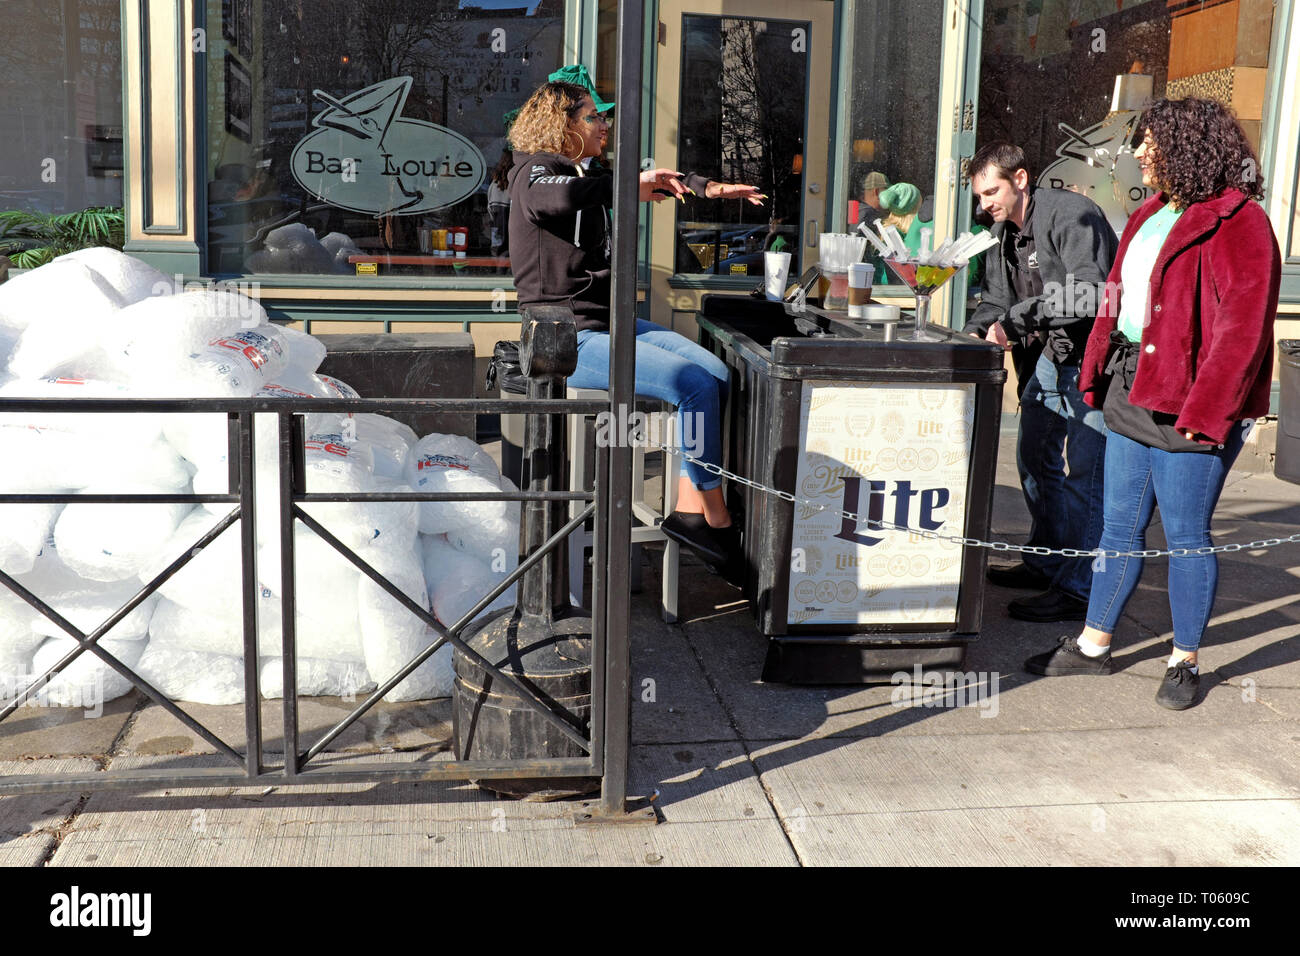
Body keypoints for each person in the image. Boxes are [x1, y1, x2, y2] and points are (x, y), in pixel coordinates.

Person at [1024, 97, 1280, 710]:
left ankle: (1184, 661)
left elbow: (1242, 333)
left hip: (1192, 401)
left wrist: (1207, 415)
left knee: (1187, 535)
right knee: (1117, 526)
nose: (1138, 152)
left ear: (1189, 145)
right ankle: (1093, 644)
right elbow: (1116, 300)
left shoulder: (1241, 220)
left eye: (1150, 141)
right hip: (1130, 386)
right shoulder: (1151, 213)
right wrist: (1095, 373)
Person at [506, 80, 762, 582]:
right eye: (593, 116)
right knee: (692, 385)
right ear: (564, 125)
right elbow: (556, 201)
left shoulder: (585, 170)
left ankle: (690, 508)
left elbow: (651, 178)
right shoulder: (536, 171)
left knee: (717, 373)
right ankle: (716, 519)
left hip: (611, 322)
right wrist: (627, 183)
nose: (604, 125)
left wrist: (708, 187)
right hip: (567, 334)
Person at [963, 142, 1118, 623]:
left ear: (1022, 179)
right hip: (1050, 358)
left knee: (1085, 474)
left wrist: (1017, 319)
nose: (985, 203)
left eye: (992, 191)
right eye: (979, 194)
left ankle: (1079, 589)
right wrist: (975, 332)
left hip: (1096, 357)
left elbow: (1091, 292)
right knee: (1033, 459)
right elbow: (994, 302)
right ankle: (1046, 559)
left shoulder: (1071, 212)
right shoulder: (999, 235)